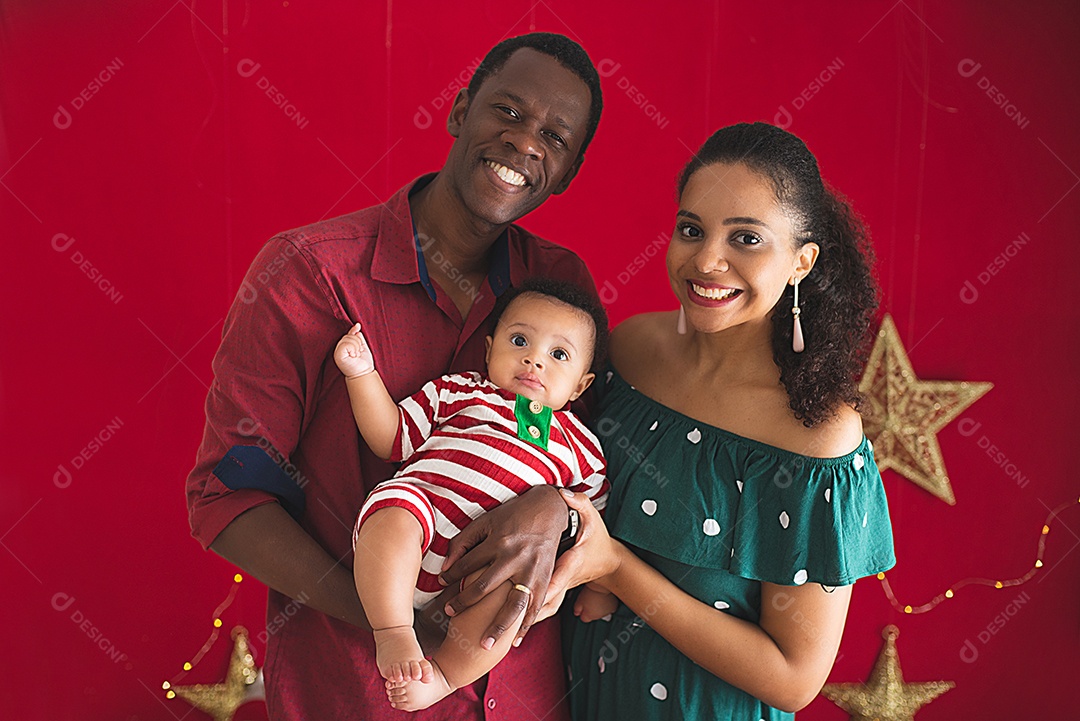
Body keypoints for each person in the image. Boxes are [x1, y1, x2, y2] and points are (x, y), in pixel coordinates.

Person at [185, 32, 603, 720]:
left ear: (567, 172)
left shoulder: (562, 286)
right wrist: (398, 621)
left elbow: (580, 461)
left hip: (525, 694)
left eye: (554, 138)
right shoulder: (309, 272)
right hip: (359, 692)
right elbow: (226, 499)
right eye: (507, 111)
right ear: (460, 111)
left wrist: (555, 510)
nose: (525, 143)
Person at [552, 122, 896, 720]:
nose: (707, 260)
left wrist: (616, 569)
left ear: (801, 262)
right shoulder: (628, 351)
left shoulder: (817, 436)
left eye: (746, 238)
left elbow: (793, 679)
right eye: (692, 230)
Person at [334, 279, 609, 712]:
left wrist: (597, 589)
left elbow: (591, 529)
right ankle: (393, 632)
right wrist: (361, 374)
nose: (534, 359)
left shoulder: (582, 448)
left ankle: (444, 675)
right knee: (396, 509)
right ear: (489, 349)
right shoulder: (460, 391)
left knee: (515, 593)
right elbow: (391, 437)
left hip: (487, 566)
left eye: (559, 355)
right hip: (420, 524)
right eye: (520, 341)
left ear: (580, 386)